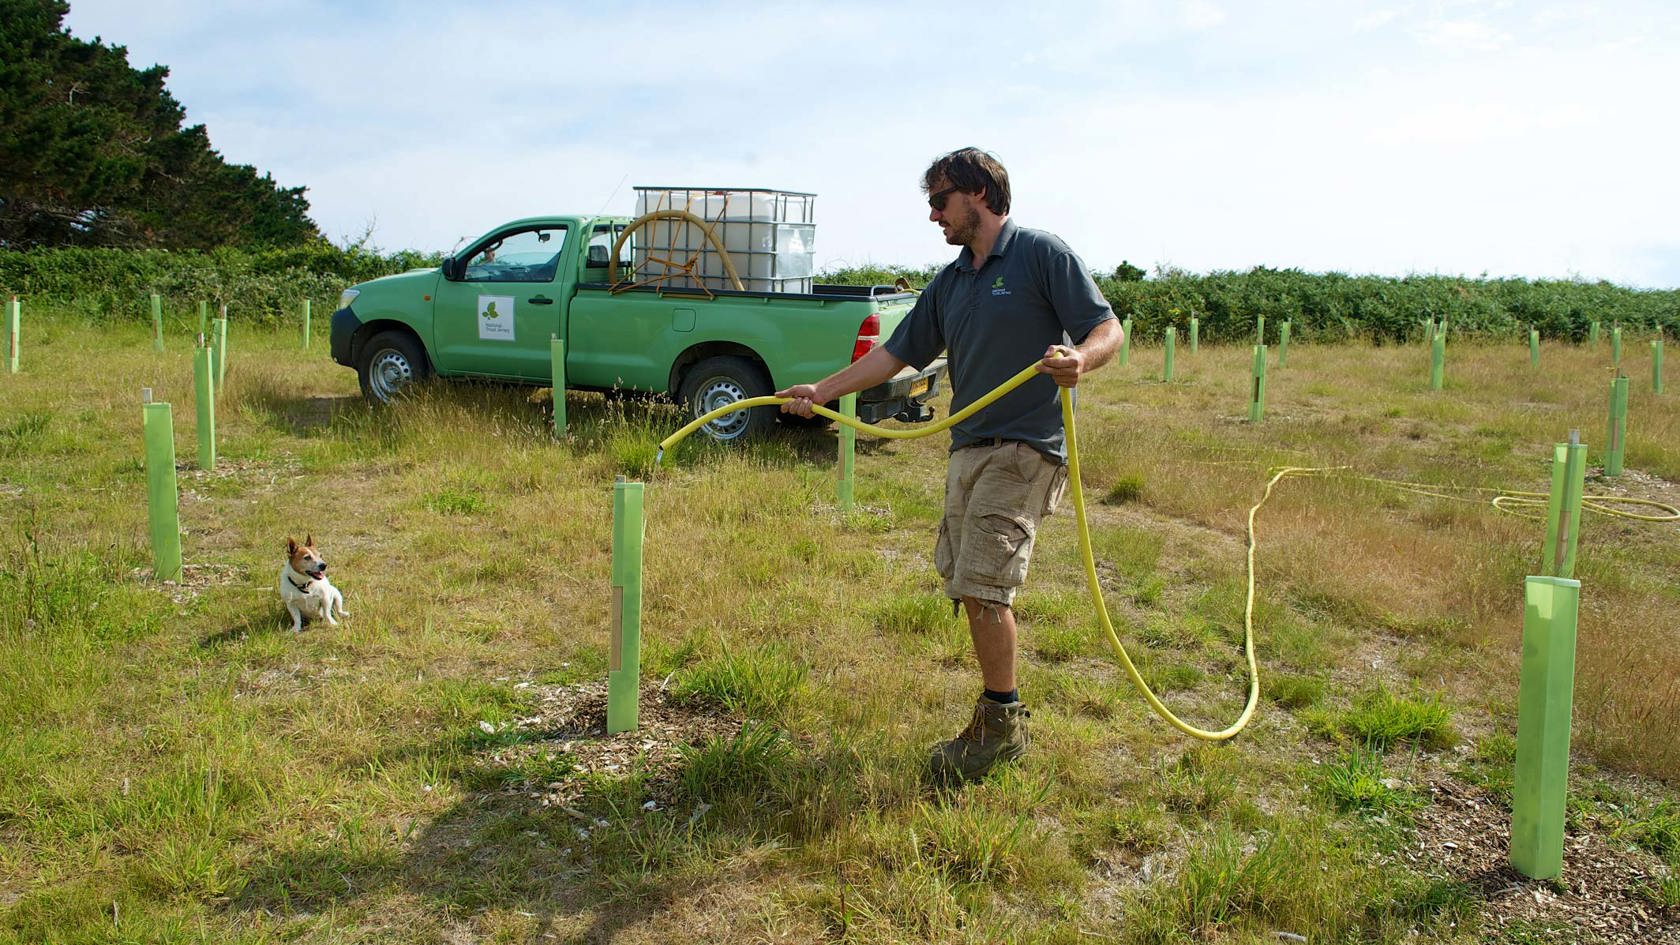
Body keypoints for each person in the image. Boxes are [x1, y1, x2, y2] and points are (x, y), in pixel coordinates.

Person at [776, 147, 1122, 784]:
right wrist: (821, 392)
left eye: (940, 200)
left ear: (979, 194)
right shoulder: (952, 281)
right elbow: (895, 355)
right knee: (966, 581)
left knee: (986, 583)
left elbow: (1107, 328)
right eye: (931, 203)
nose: (933, 215)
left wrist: (1083, 360)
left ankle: (1002, 725)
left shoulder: (1042, 254)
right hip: (968, 446)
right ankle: (1001, 715)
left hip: (1026, 447)